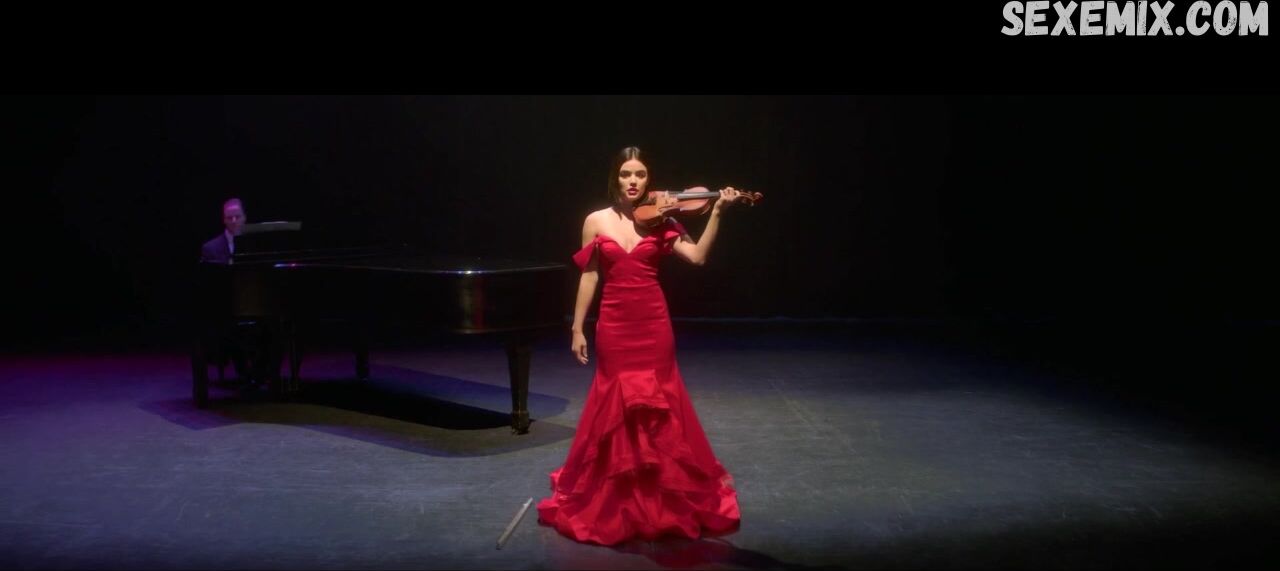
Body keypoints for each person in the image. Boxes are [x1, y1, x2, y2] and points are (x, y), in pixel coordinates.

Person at [537, 146, 751, 545]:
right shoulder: (595, 221)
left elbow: (698, 258)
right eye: (625, 174)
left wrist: (719, 211)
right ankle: (616, 498)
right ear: (614, 178)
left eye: (640, 174)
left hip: (653, 325)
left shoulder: (664, 219)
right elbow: (589, 276)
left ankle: (659, 498)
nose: (633, 181)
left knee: (660, 403)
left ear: (648, 179)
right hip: (615, 325)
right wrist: (577, 327)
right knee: (614, 403)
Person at [200, 198, 246, 264]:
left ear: (244, 217)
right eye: (229, 218)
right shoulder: (210, 248)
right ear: (224, 220)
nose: (234, 221)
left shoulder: (255, 245)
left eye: (237, 217)